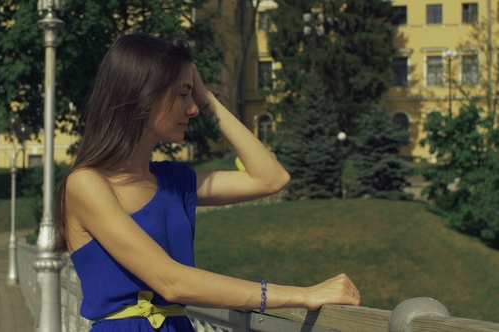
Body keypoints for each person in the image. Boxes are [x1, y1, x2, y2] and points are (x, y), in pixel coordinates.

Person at [53, 33, 361, 332]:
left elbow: (271, 178)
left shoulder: (173, 181)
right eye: (182, 94)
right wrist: (302, 294)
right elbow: (172, 282)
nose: (193, 108)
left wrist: (207, 96)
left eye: (193, 95)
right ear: (143, 94)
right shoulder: (85, 184)